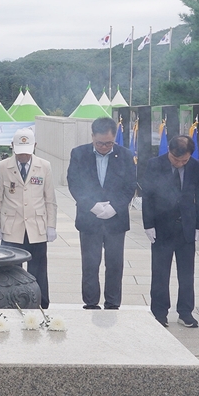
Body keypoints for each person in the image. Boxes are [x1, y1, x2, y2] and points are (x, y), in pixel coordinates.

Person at [67, 116, 137, 310]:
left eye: (108, 143)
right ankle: (90, 302)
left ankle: (113, 303)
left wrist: (115, 207)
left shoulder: (125, 155)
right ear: (92, 137)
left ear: (114, 137)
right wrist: (92, 205)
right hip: (90, 219)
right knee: (90, 264)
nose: (104, 147)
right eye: (99, 143)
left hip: (116, 220)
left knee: (115, 264)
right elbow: (74, 183)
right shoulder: (79, 154)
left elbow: (130, 185)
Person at [140, 135, 199, 328]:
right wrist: (148, 224)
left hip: (186, 227)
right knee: (160, 273)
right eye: (176, 159)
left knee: (187, 273)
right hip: (161, 227)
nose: (179, 163)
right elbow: (148, 195)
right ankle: (159, 312)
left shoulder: (196, 166)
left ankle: (185, 312)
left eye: (183, 160)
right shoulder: (155, 164)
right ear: (169, 151)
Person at [0, 127, 57, 308]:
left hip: (37, 226)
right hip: (12, 227)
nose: (23, 157)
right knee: (12, 270)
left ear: (35, 146)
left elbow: (50, 199)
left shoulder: (44, 166)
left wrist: (51, 226)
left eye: (27, 153)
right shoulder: (2, 167)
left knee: (38, 270)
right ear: (12, 146)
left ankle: (41, 303)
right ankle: (12, 303)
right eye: (19, 153)